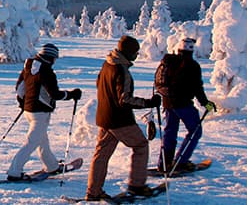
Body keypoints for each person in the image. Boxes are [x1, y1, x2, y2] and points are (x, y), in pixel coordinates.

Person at [86, 35, 161, 201]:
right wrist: (149, 103)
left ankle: (93, 192)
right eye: (135, 52)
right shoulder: (121, 70)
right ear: (128, 52)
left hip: (104, 117)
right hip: (119, 120)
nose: (137, 55)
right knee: (141, 145)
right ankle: (137, 186)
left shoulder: (107, 64)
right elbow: (124, 99)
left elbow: (99, 85)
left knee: (101, 155)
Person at [6, 43, 82, 181]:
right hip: (40, 113)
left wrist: (23, 103)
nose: (55, 61)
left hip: (29, 111)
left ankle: (51, 166)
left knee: (42, 141)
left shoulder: (28, 66)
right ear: (50, 57)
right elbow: (55, 94)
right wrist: (72, 94)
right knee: (31, 142)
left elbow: (19, 88)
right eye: (55, 58)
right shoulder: (47, 72)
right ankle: (14, 172)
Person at [155, 38, 217, 172]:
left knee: (170, 132)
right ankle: (180, 162)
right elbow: (197, 88)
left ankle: (163, 164)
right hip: (183, 104)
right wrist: (206, 104)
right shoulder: (192, 66)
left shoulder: (167, 62)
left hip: (168, 103)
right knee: (195, 131)